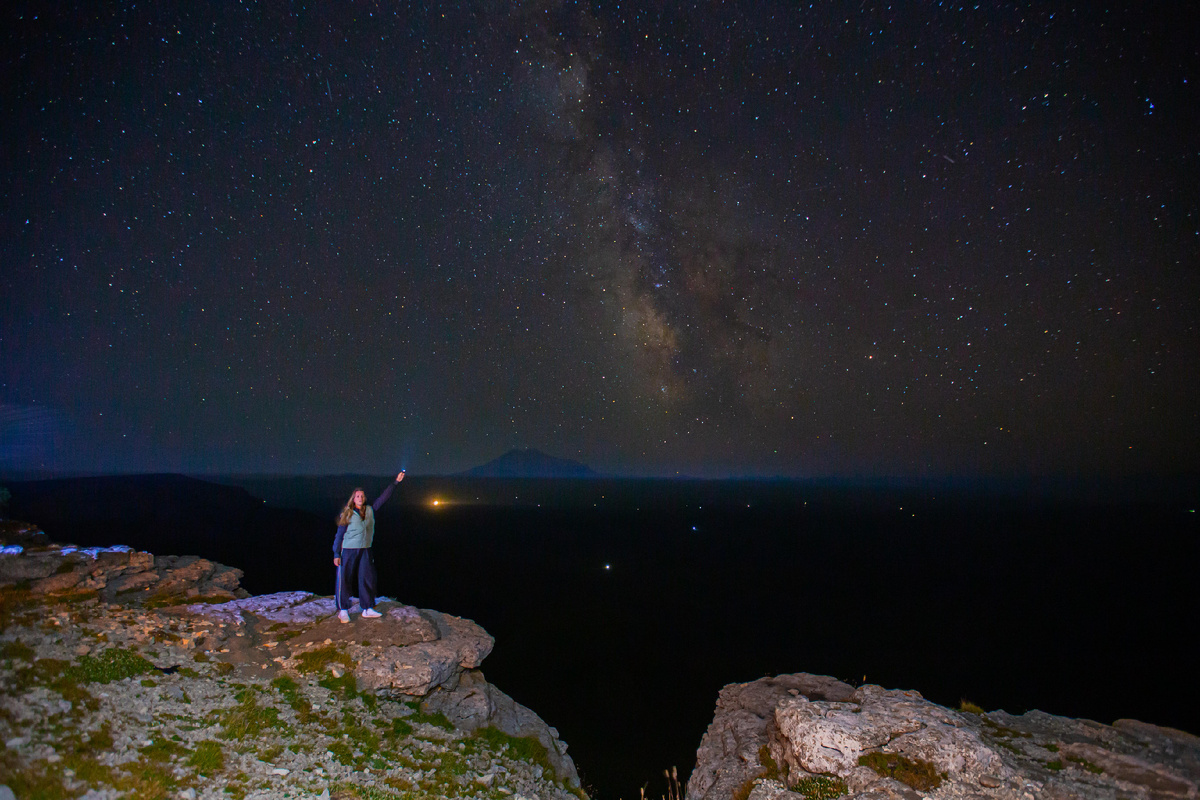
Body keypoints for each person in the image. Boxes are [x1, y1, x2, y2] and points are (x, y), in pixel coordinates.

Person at [333, 471, 405, 622]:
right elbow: (339, 535)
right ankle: (343, 610)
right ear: (353, 499)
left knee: (367, 578)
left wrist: (395, 483)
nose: (360, 498)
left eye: (362, 496)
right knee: (344, 579)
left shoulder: (370, 511)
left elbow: (383, 498)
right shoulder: (347, 513)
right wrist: (336, 553)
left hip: (365, 549)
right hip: (348, 550)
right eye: (357, 496)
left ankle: (367, 608)